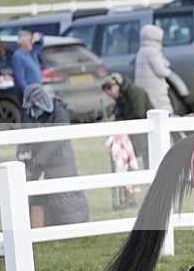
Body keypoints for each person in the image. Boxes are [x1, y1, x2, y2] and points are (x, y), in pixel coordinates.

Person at [16, 84, 89, 227]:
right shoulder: (29, 114)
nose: (33, 111)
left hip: (59, 162)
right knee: (37, 200)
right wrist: (21, 152)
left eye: (35, 107)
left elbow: (58, 140)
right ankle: (39, 228)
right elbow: (24, 134)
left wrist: (39, 160)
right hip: (37, 165)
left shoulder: (59, 111)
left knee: (65, 201)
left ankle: (73, 228)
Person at [101, 72, 154, 169]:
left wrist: (123, 122)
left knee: (148, 155)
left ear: (114, 87)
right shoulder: (122, 97)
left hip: (143, 130)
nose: (111, 96)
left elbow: (138, 113)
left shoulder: (135, 93)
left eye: (110, 93)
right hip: (136, 131)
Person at [134, 24, 174, 115]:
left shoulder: (142, 50)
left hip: (145, 87)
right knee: (162, 111)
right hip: (155, 88)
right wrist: (168, 71)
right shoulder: (152, 51)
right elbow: (161, 71)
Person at [11, 30, 44, 103]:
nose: (32, 42)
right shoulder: (18, 56)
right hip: (29, 96)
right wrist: (29, 94)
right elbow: (20, 79)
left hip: (37, 92)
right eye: (30, 40)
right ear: (22, 43)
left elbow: (41, 43)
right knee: (29, 110)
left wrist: (38, 36)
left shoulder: (32, 52)